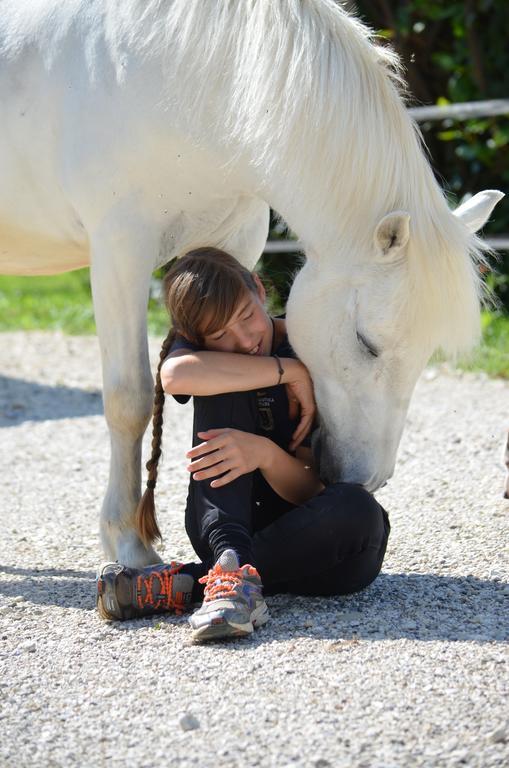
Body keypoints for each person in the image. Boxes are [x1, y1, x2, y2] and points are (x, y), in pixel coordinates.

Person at [96, 248, 390, 642]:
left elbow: (313, 491)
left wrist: (263, 454)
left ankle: (202, 581)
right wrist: (286, 373)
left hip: (322, 540)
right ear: (196, 334)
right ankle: (231, 572)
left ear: (259, 288)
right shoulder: (218, 351)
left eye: (247, 317)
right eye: (219, 335)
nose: (243, 339)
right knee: (217, 374)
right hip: (224, 527)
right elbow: (176, 375)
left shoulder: (314, 348)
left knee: (362, 512)